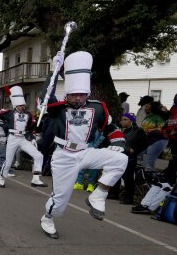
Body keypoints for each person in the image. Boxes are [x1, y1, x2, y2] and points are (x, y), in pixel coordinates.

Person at [38, 51, 128, 239]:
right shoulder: (58, 109)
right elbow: (46, 95)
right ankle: (48, 218)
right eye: (74, 94)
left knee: (120, 160)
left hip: (86, 152)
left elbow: (110, 126)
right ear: (67, 94)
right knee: (61, 199)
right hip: (64, 155)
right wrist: (53, 72)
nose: (78, 98)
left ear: (87, 93)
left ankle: (98, 195)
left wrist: (118, 141)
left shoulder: (97, 107)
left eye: (82, 94)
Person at [0, 86, 47, 187]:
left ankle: (36, 179)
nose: (22, 107)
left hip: (22, 139)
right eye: (20, 105)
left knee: (39, 156)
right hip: (12, 139)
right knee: (8, 162)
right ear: (15, 106)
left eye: (23, 105)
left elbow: (32, 128)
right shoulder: (9, 113)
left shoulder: (28, 115)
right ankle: (2, 176)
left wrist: (32, 139)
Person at [108, 113, 148, 204]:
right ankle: (114, 193)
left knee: (127, 177)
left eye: (125, 119)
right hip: (118, 155)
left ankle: (129, 197)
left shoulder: (138, 131)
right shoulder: (120, 130)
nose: (122, 121)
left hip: (130, 158)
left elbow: (145, 143)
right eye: (122, 119)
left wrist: (135, 150)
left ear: (131, 121)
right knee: (115, 174)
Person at [140, 101, 170, 168]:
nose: (145, 107)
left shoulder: (158, 117)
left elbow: (162, 130)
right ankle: (143, 175)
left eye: (147, 105)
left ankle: (149, 176)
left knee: (150, 160)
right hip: (149, 140)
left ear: (152, 107)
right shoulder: (148, 117)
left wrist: (147, 131)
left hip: (158, 140)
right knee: (143, 158)